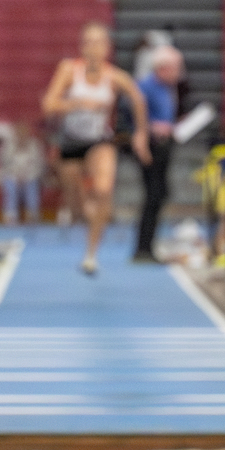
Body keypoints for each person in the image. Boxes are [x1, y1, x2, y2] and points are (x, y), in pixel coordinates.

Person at [41, 22, 150, 276]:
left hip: (99, 141)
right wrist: (77, 103)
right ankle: (87, 215)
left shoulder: (114, 76)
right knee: (79, 206)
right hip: (70, 140)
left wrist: (141, 135)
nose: (94, 48)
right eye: (88, 43)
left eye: (99, 43)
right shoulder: (69, 70)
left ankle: (91, 255)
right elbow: (49, 104)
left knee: (103, 189)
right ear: (81, 47)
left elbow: (138, 99)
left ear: (107, 48)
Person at [133, 45, 184, 263]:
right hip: (150, 146)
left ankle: (148, 245)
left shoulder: (168, 88)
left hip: (165, 146)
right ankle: (143, 248)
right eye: (175, 68)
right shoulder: (145, 86)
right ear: (162, 68)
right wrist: (152, 127)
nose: (179, 73)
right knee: (154, 194)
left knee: (161, 194)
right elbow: (132, 115)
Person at [0, 121, 45, 226]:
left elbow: (39, 165)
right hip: (12, 176)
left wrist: (27, 176)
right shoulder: (7, 146)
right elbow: (3, 165)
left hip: (30, 176)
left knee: (32, 184)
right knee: (9, 184)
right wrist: (16, 176)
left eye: (24, 133)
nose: (21, 136)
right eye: (19, 133)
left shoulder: (34, 145)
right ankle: (11, 215)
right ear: (15, 134)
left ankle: (33, 215)